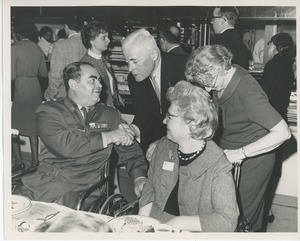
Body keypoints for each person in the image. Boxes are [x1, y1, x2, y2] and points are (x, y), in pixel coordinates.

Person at [185, 44, 291, 232]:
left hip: (253, 160)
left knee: (242, 217)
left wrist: (241, 153)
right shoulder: (222, 78)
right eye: (203, 83)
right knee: (225, 210)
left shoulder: (247, 89)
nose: (207, 88)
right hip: (230, 154)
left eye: (209, 81)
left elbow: (283, 132)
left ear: (220, 68)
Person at [15, 62, 148, 209]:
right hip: (45, 183)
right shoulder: (49, 111)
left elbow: (131, 151)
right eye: (92, 80)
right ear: (73, 84)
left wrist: (139, 178)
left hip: (84, 189)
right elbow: (66, 146)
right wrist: (110, 136)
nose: (99, 85)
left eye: (99, 80)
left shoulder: (110, 115)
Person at [139, 81, 239, 232]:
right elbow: (149, 190)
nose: (164, 121)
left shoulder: (218, 165)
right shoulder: (163, 146)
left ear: (192, 124)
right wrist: (143, 225)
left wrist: (178, 223)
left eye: (170, 117)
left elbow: (227, 220)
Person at [121, 28, 188, 154]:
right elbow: (144, 115)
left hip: (183, 143)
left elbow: (192, 119)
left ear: (154, 55)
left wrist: (164, 142)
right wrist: (133, 129)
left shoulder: (183, 68)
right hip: (152, 146)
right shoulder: (134, 79)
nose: (130, 69)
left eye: (135, 61)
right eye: (127, 62)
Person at [261, 32, 296, 223]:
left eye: (270, 44)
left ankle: (263, 210)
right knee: (274, 168)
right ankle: (267, 209)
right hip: (281, 119)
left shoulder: (273, 65)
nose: (268, 47)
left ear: (276, 46)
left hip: (269, 122)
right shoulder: (288, 64)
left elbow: (265, 97)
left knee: (264, 167)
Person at [11, 19, 48, 171]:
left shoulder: (14, 48)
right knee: (33, 126)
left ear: (17, 32)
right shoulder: (37, 49)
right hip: (35, 89)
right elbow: (44, 73)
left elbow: (11, 75)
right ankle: (34, 161)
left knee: (14, 127)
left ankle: (19, 162)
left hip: (20, 88)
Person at [81, 20, 124, 108]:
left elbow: (110, 82)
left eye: (108, 37)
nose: (108, 40)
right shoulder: (86, 64)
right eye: (104, 37)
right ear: (91, 41)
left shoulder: (103, 59)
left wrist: (117, 96)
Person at [44, 15, 87, 101]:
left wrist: (50, 95)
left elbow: (56, 75)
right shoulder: (88, 44)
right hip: (84, 93)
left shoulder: (59, 46)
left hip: (64, 96)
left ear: (66, 27)